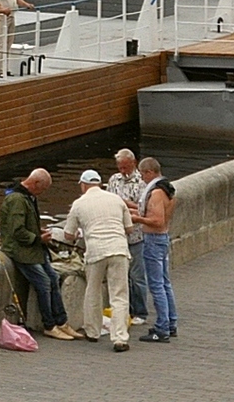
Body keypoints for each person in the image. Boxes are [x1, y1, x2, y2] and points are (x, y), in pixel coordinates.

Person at [53, 169, 135, 350]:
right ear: (99, 183)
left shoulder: (79, 204)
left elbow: (68, 235)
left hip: (96, 252)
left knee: (93, 291)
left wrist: (81, 232)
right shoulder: (116, 200)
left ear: (83, 185)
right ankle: (120, 337)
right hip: (119, 249)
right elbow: (129, 228)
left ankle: (92, 331)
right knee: (119, 295)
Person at [0, 168, 78, 339]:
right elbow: (17, 231)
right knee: (44, 283)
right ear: (35, 183)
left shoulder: (27, 196)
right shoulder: (17, 200)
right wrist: (38, 238)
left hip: (33, 248)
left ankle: (61, 321)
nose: (43, 193)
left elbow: (24, 224)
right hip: (21, 251)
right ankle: (49, 325)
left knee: (54, 278)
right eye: (43, 189)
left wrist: (37, 230)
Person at [102, 148, 150, 324]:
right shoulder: (114, 180)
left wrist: (124, 204)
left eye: (126, 167)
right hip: (117, 235)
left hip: (136, 236)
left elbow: (145, 209)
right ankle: (125, 310)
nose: (123, 171)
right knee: (121, 277)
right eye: (120, 167)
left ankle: (140, 312)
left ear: (133, 163)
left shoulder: (142, 183)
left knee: (137, 276)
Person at [135, 157, 177, 342]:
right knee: (165, 283)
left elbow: (157, 221)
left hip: (153, 239)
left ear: (149, 172)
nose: (142, 178)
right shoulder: (168, 190)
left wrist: (137, 220)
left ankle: (162, 328)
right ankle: (171, 322)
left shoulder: (156, 193)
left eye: (142, 174)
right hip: (163, 238)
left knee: (156, 285)